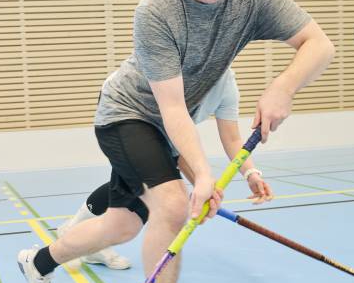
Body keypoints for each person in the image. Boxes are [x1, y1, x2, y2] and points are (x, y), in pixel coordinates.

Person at [18, 0, 333, 283]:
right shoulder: (157, 10)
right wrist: (202, 175)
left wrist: (283, 87)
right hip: (128, 114)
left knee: (122, 227)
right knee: (171, 205)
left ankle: (38, 261)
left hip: (165, 127)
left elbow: (319, 44)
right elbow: (172, 109)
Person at [60, 67, 273, 271]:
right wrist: (202, 182)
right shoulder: (182, 75)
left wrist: (251, 173)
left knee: (133, 180)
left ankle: (81, 236)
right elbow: (176, 144)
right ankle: (74, 236)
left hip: (159, 123)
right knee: (148, 181)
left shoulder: (226, 84)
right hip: (125, 105)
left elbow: (232, 139)